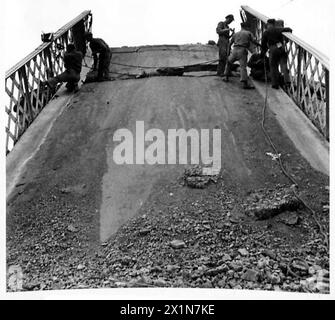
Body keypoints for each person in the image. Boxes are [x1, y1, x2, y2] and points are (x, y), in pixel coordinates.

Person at [223, 22, 259, 89]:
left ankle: (226, 77)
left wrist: (228, 53)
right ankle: (245, 84)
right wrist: (259, 44)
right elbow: (254, 41)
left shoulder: (236, 34)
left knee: (229, 62)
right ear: (247, 27)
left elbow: (230, 44)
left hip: (234, 50)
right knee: (243, 67)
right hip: (242, 50)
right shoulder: (248, 33)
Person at [261, 19, 292, 89]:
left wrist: (263, 52)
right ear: (274, 24)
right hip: (281, 48)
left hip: (272, 49)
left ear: (268, 24)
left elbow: (263, 44)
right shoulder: (278, 29)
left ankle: (275, 83)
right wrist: (286, 41)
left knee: (273, 66)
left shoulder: (266, 32)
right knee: (283, 64)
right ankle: (287, 80)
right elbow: (289, 29)